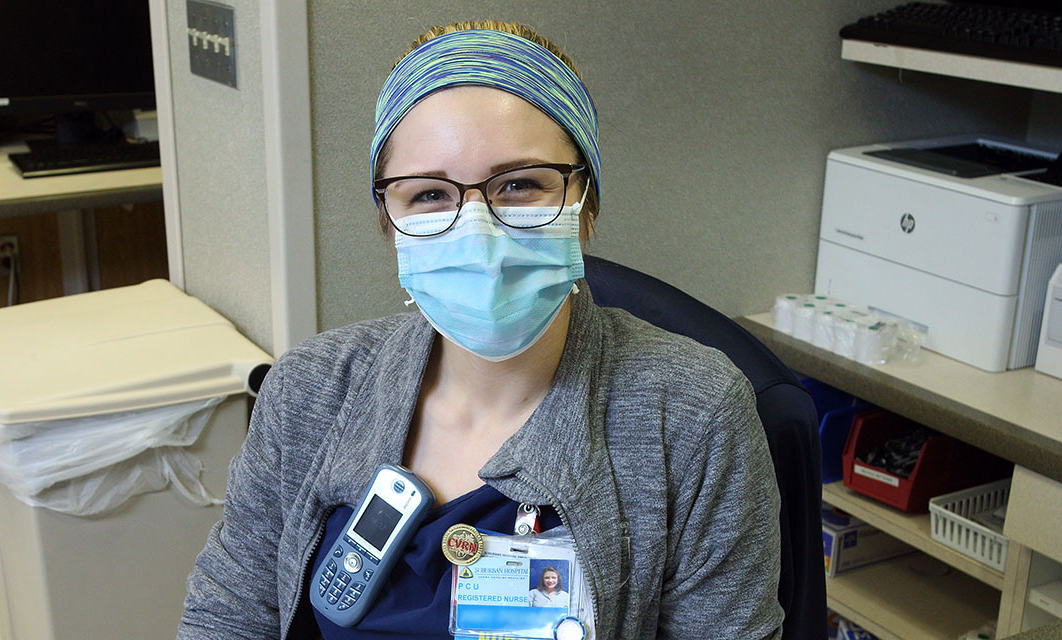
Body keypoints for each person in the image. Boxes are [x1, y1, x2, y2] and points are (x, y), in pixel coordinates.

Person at [178, 20, 783, 640]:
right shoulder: (311, 388)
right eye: (430, 195)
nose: (478, 233)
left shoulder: (690, 415)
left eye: (520, 185)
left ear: (586, 207)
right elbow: (230, 611)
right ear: (389, 224)